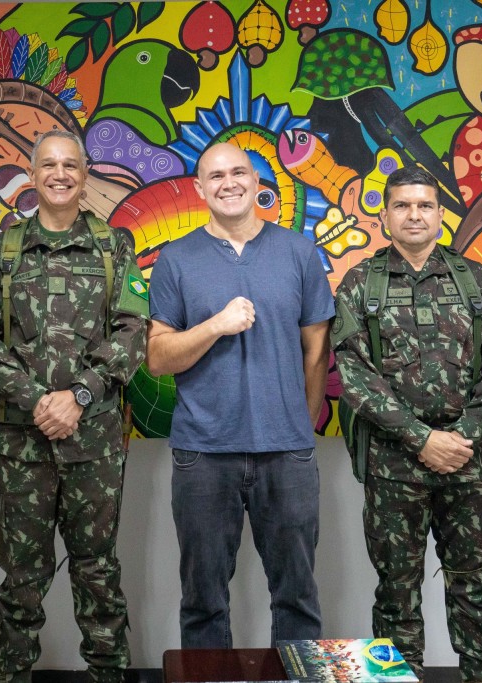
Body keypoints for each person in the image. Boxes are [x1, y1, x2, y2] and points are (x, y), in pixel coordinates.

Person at [0, 129, 149, 683]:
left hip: (95, 445)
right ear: (33, 174)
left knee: (98, 573)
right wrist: (39, 399)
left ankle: (108, 675)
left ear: (85, 175)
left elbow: (134, 330)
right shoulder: (4, 249)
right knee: (21, 580)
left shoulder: (114, 247)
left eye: (70, 165)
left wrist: (80, 395)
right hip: (24, 444)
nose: (60, 174)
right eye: (49, 165)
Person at [331, 166, 482, 683]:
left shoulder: (476, 281)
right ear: (385, 215)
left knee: (476, 590)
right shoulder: (361, 284)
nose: (414, 215)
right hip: (394, 466)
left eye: (424, 205)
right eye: (402, 205)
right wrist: (422, 439)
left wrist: (462, 437)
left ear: (439, 214)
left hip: (469, 463)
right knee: (395, 593)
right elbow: (354, 375)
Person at [146, 142, 334, 648]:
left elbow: (317, 351)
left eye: (238, 173)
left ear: (256, 181)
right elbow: (158, 357)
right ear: (199, 188)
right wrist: (215, 325)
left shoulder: (298, 252)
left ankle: (296, 681)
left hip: (287, 452)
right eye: (216, 176)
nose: (228, 183)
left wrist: (299, 424)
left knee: (297, 597)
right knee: (203, 602)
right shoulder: (176, 259)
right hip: (203, 454)